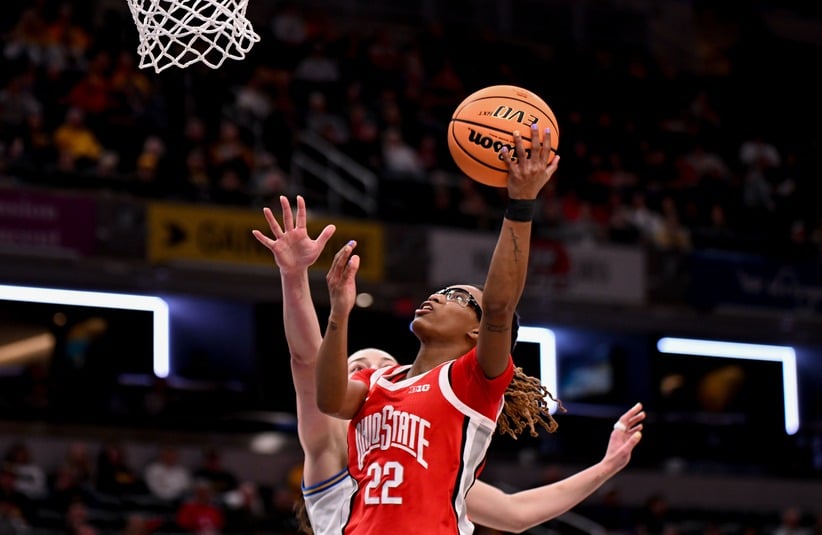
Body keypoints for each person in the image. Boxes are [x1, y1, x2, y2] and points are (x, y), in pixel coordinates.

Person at [252, 193, 645, 534]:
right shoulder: (329, 441)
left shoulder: (445, 406)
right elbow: (311, 366)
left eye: (383, 362)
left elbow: (515, 512)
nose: (370, 369)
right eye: (358, 365)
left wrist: (609, 465)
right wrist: (310, 287)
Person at [314, 122, 564, 533]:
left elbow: (499, 306)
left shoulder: (471, 382)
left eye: (458, 297)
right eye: (443, 289)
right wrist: (339, 313)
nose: (438, 296)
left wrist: (521, 203)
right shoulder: (378, 380)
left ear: (476, 333)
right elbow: (328, 399)